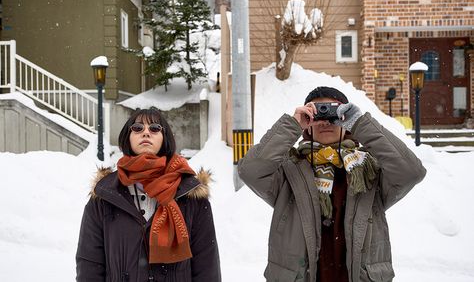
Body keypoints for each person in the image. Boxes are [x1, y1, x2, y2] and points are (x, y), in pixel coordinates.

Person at [238, 86, 426, 282]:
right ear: (308, 124)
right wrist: (293, 125)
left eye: (335, 113)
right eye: (317, 113)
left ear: (347, 121)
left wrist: (361, 124)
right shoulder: (289, 171)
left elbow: (411, 171)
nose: (326, 120)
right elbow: (250, 171)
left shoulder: (368, 169)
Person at [76, 107, 221, 282]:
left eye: (154, 128)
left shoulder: (190, 194)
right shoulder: (105, 195)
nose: (146, 132)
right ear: (127, 137)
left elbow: (206, 264)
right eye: (137, 128)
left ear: (164, 138)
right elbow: (90, 263)